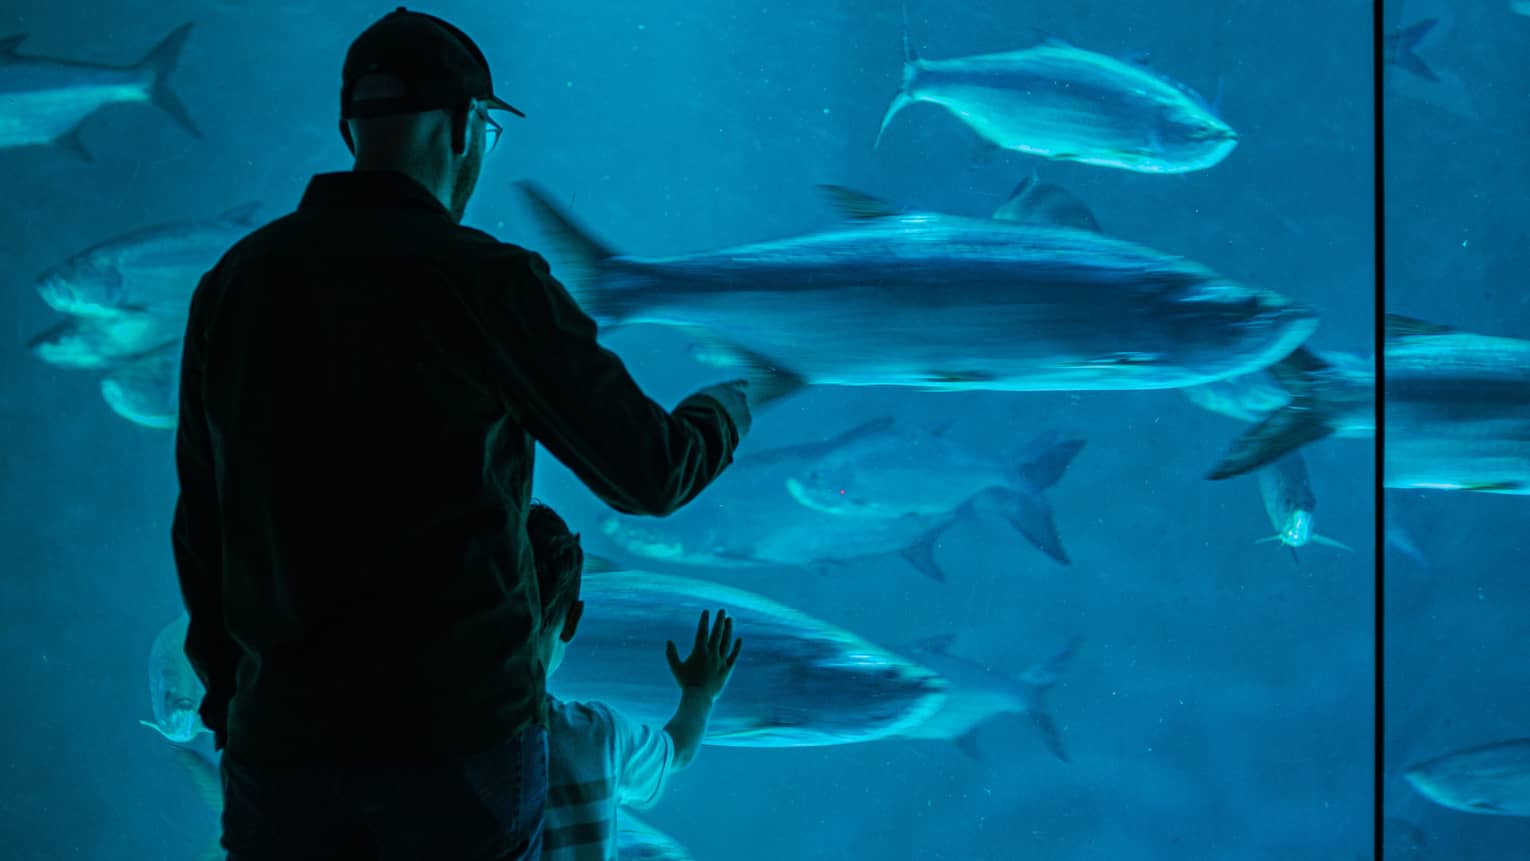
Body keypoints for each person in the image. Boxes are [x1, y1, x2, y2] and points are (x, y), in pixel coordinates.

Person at [169, 7, 755, 860]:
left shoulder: (236, 284)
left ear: (349, 128)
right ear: (463, 128)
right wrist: (723, 413)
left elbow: (202, 525)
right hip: (458, 753)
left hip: (285, 747)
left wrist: (235, 704)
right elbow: (651, 474)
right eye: (484, 129)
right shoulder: (486, 281)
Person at [524, 503, 740, 860]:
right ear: (573, 620)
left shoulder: (431, 727)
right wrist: (699, 691)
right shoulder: (599, 737)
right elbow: (678, 750)